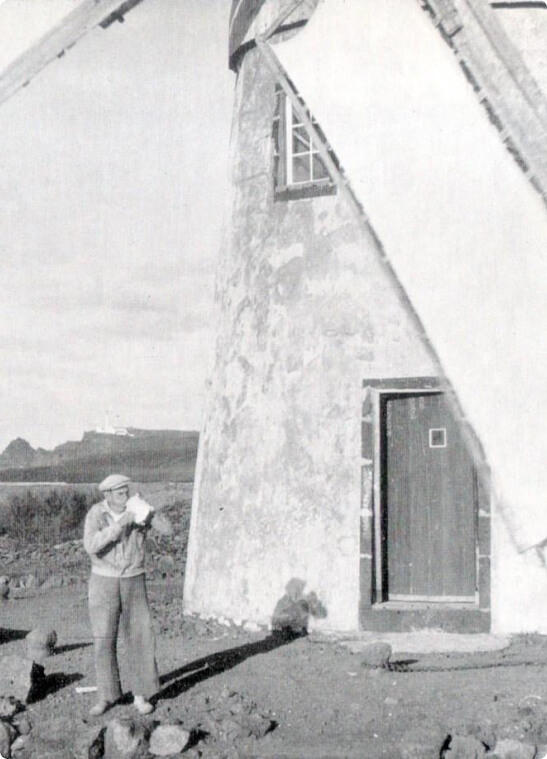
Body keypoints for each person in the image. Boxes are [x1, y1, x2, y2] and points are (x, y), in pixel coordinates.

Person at [83, 473, 173, 716]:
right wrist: (120, 525)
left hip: (134, 578)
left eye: (126, 491)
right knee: (103, 638)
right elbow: (91, 545)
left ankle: (141, 694)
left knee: (140, 637)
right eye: (120, 493)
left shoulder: (137, 510)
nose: (125, 496)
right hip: (103, 580)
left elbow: (168, 530)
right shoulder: (96, 514)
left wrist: (149, 512)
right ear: (108, 495)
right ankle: (107, 695)